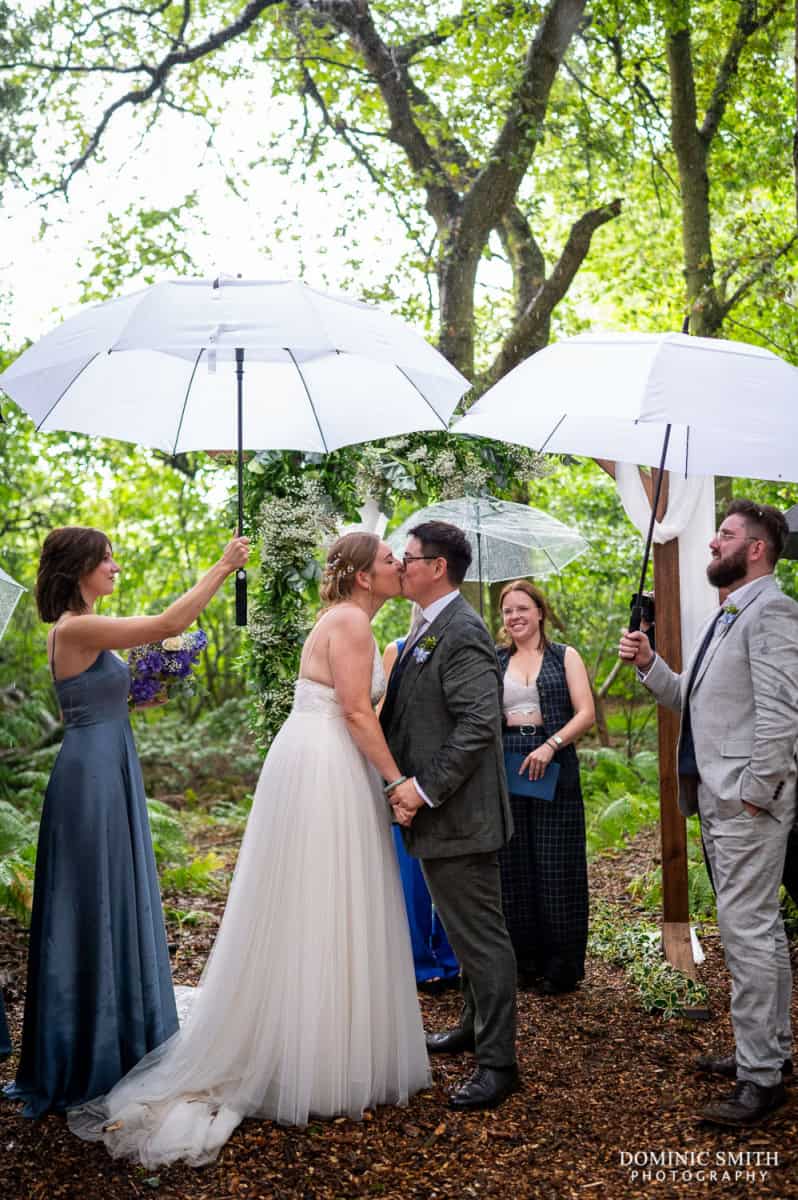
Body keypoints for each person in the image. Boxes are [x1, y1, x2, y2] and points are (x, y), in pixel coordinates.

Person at [68, 532, 430, 1167]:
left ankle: (320, 1035)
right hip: (324, 764)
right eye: (388, 562)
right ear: (364, 578)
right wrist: (397, 780)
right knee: (325, 894)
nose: (400, 567)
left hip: (317, 754)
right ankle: (314, 1054)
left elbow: (359, 703)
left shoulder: (347, 620)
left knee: (319, 896)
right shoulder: (349, 621)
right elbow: (353, 711)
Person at [3, 526, 250, 1119]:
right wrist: (223, 567)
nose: (114, 565)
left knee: (111, 895)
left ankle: (118, 1032)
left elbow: (107, 698)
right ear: (78, 568)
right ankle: (90, 1051)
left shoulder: (89, 633)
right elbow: (167, 623)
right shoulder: (75, 626)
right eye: (105, 558)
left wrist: (149, 687)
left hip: (109, 766)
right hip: (89, 780)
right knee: (93, 901)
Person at [619, 499, 798, 1128]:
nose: (711, 544)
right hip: (720, 798)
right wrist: (649, 667)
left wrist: (754, 791)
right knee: (760, 931)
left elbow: (782, 716)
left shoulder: (773, 612)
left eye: (723, 535)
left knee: (746, 935)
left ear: (756, 549)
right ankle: (770, 1053)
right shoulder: (724, 617)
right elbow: (690, 701)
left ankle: (760, 1082)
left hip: (746, 804)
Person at [380, 520, 519, 1111]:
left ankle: (499, 1064)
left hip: (460, 815)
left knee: (482, 939)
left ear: (438, 567)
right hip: (443, 815)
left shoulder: (462, 631)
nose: (400, 566)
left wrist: (421, 790)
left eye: (408, 558)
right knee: (465, 934)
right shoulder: (423, 628)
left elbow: (477, 727)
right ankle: (470, 1026)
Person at [495, 580, 594, 994]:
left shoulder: (564, 656)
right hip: (507, 763)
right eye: (507, 611)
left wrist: (550, 746)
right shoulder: (495, 659)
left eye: (522, 608)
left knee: (556, 865)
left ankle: (562, 966)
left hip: (552, 759)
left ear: (539, 612)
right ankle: (525, 960)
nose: (514, 616)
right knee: (513, 865)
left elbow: (585, 712)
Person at [381, 618, 459, 995]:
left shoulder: (461, 647)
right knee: (410, 878)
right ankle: (419, 961)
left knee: (451, 875)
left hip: (448, 774)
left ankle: (451, 959)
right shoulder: (395, 649)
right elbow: (383, 716)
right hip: (407, 773)